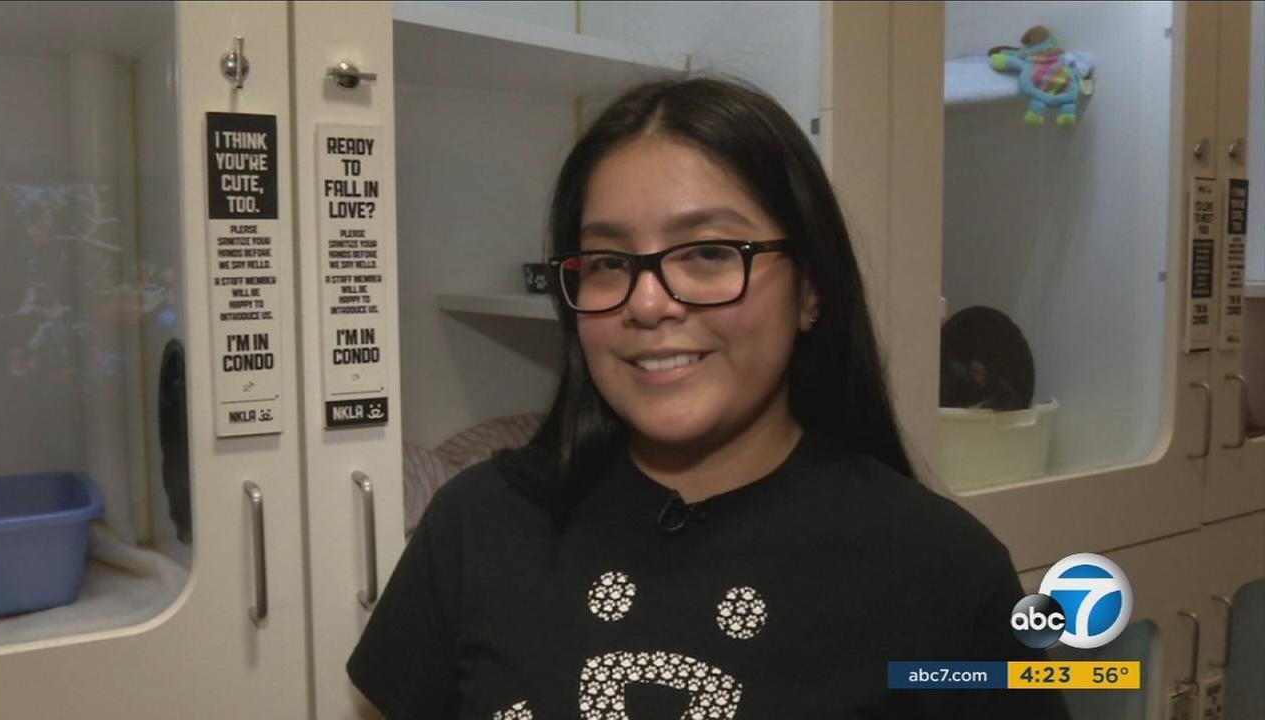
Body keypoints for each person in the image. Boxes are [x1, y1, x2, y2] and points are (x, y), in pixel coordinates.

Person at [348, 76, 1070, 719]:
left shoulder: (939, 570)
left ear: (811, 289)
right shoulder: (479, 526)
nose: (651, 302)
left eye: (709, 252)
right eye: (608, 262)